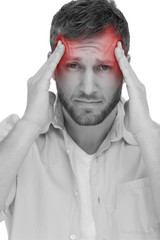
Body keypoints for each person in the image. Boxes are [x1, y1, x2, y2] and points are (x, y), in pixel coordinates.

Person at [0, 0, 160, 239]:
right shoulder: (16, 139)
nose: (87, 89)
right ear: (52, 67)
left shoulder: (152, 143)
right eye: (73, 65)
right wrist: (30, 124)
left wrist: (146, 132)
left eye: (104, 67)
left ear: (126, 68)